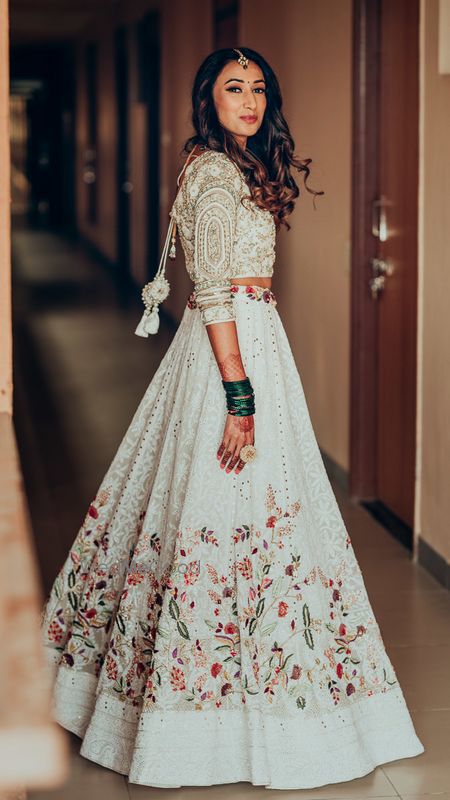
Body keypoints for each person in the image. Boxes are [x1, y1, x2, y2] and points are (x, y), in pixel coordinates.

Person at [40, 46, 424, 789]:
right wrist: (239, 395)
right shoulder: (213, 172)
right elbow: (212, 289)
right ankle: (196, 715)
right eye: (232, 87)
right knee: (216, 505)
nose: (248, 99)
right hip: (231, 352)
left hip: (254, 340)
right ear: (206, 99)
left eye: (257, 88)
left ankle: (265, 700)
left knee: (271, 513)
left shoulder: (242, 163)